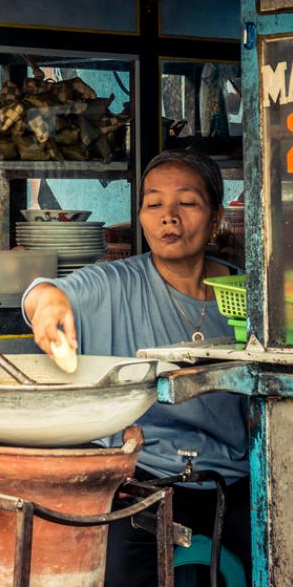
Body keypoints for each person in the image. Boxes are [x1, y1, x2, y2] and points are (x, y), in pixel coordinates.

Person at [22, 149, 250, 586]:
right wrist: (48, 305)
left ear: (216, 216)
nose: (170, 217)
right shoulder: (114, 283)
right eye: (154, 204)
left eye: (187, 202)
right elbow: (42, 293)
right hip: (142, 480)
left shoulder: (244, 295)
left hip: (235, 481)